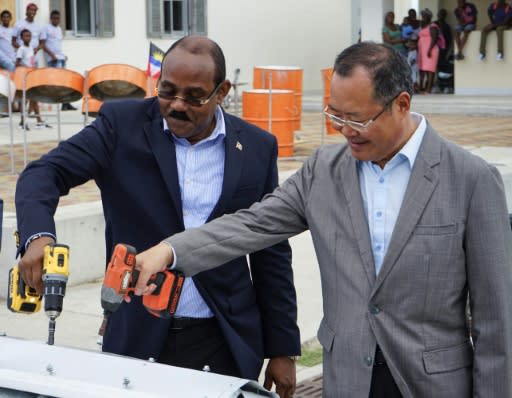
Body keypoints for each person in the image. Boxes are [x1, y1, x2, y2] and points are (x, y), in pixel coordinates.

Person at [133, 42, 512, 397]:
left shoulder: (470, 180)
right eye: (335, 115)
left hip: (432, 384)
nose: (343, 130)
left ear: (401, 104)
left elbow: (496, 320)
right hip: (347, 380)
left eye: (357, 119)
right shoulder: (323, 172)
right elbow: (252, 225)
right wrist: (170, 252)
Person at [14, 35, 299, 398]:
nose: (177, 105)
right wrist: (38, 236)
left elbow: (270, 250)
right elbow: (44, 173)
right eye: (167, 91)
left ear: (222, 91)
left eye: (194, 96)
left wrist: (281, 347)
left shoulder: (257, 147)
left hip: (225, 339)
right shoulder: (121, 126)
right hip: (136, 334)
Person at [11, 3, 50, 129]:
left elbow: (42, 42)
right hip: (23, 67)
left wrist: (33, 50)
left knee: (33, 92)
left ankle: (37, 120)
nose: (32, 12)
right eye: (30, 10)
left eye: (34, 10)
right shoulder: (19, 25)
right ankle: (24, 121)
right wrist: (23, 50)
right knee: (24, 94)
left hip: (33, 63)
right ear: (26, 11)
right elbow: (13, 41)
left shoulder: (39, 26)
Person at [41, 10, 76, 111]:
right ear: (51, 18)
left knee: (65, 81)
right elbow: (43, 45)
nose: (56, 20)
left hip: (60, 58)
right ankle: (64, 103)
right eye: (54, 18)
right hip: (53, 59)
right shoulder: (46, 28)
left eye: (58, 18)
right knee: (60, 82)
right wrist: (52, 55)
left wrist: (63, 55)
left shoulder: (59, 29)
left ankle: (66, 103)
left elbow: (57, 44)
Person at [417, 8, 441, 93]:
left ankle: (428, 89)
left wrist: (429, 50)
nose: (423, 18)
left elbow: (434, 39)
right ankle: (421, 87)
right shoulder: (422, 25)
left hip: (431, 50)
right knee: (422, 69)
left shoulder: (433, 26)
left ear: (429, 17)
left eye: (424, 16)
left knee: (430, 70)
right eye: (422, 16)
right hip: (422, 51)